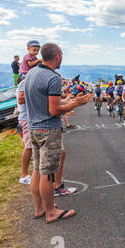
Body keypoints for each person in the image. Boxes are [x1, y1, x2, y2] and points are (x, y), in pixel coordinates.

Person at [24, 43, 92, 223]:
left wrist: (66, 100)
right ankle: (51, 212)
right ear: (58, 55)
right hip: (48, 130)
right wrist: (76, 104)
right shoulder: (52, 77)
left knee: (37, 170)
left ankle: (39, 209)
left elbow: (43, 100)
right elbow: (54, 110)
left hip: (34, 128)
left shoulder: (32, 73)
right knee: (47, 174)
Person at [16, 79, 32, 185]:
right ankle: (24, 175)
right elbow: (21, 99)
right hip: (26, 118)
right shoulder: (25, 82)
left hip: (30, 118)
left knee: (32, 146)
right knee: (28, 147)